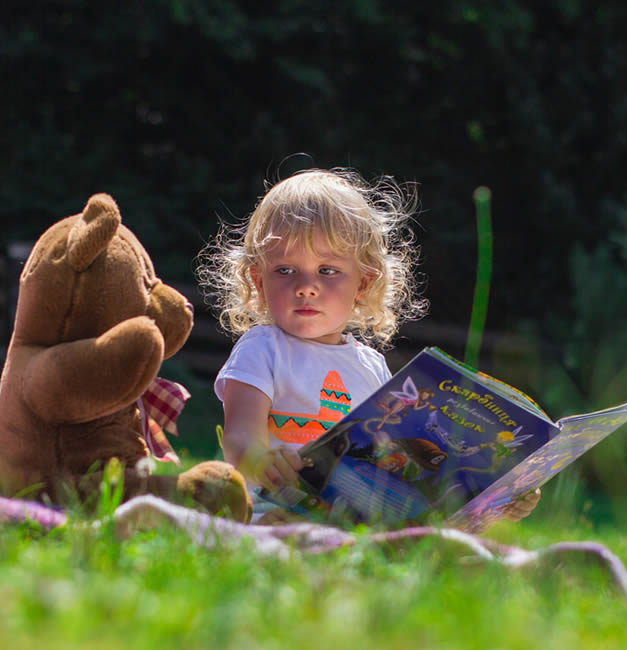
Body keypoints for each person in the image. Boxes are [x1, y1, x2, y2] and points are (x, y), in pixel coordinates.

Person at [198, 167, 539, 523]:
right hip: (278, 509)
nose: (306, 286)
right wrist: (260, 461)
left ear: (363, 283)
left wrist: (501, 497)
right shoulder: (263, 348)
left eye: (327, 270)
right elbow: (239, 438)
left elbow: (391, 456)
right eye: (285, 270)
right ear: (258, 279)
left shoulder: (371, 365)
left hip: (358, 519)